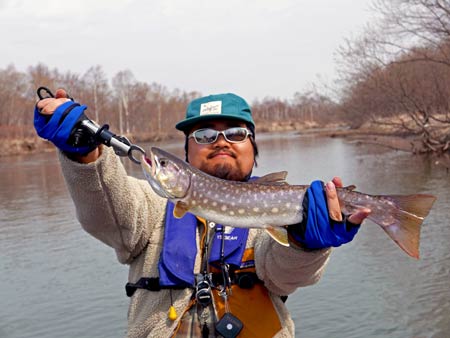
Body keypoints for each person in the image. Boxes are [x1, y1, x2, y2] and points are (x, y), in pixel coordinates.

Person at [34, 90, 370, 338]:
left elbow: (285, 275)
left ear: (254, 149)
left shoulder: (276, 206)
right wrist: (84, 156)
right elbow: (107, 210)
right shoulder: (151, 207)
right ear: (188, 152)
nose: (221, 142)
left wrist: (306, 243)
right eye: (205, 135)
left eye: (236, 134)